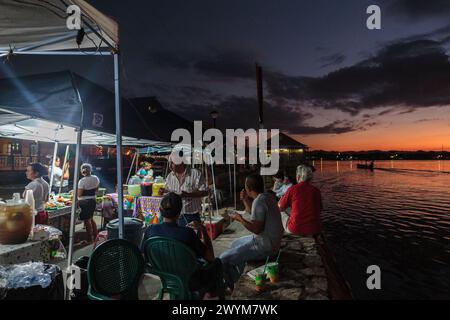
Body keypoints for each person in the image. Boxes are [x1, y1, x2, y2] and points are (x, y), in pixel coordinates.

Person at [142, 192, 224, 299]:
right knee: (217, 263)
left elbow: (144, 256)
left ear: (161, 211)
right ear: (179, 212)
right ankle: (210, 292)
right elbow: (210, 257)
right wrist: (203, 229)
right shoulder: (187, 233)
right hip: (190, 281)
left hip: (164, 278)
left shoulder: (150, 230)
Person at [219, 173, 284, 289]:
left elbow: (257, 229)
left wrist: (240, 219)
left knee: (223, 258)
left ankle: (232, 284)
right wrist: (245, 199)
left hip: (266, 246)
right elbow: (254, 214)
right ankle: (238, 273)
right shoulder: (266, 196)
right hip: (270, 241)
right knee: (234, 244)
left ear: (248, 188)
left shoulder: (259, 202)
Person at [164, 154, 208, 227]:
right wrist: (164, 191)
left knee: (192, 238)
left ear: (181, 162)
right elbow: (169, 192)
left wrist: (188, 194)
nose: (169, 165)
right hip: (174, 216)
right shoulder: (170, 176)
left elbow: (205, 192)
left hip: (192, 216)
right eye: (169, 163)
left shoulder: (195, 173)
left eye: (172, 162)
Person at [278, 165, 322, 236]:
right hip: (314, 229)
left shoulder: (293, 189)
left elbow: (281, 208)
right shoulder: (316, 191)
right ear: (310, 178)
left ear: (298, 177)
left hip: (295, 229)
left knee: (281, 212)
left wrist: (280, 202)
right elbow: (319, 209)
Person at [77, 163, 100, 243]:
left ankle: (90, 239)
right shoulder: (96, 178)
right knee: (91, 218)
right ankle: (96, 235)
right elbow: (96, 190)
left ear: (82, 171)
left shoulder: (82, 181)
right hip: (93, 200)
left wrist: (75, 192)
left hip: (84, 202)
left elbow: (79, 194)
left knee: (87, 220)